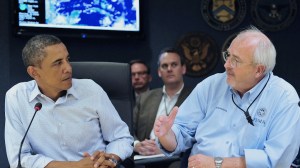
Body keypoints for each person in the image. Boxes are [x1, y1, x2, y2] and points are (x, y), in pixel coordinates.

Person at [153, 26, 300, 168]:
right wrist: (167, 135)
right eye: (228, 55)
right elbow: (182, 132)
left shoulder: (284, 98)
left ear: (258, 70)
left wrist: (218, 164)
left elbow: (277, 160)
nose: (226, 65)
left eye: (235, 60)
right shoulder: (211, 85)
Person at [5, 34, 133, 168]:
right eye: (58, 63)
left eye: (67, 59)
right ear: (34, 72)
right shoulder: (17, 97)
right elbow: (20, 158)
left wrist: (110, 159)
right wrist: (74, 166)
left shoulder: (91, 90)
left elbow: (121, 137)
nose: (68, 68)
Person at [133, 48, 192, 166]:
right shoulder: (145, 98)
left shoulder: (194, 97)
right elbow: (129, 129)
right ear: (159, 72)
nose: (169, 69)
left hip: (176, 159)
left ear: (183, 69)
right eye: (164, 66)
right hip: (144, 158)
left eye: (174, 65)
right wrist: (137, 145)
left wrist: (166, 147)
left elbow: (197, 135)